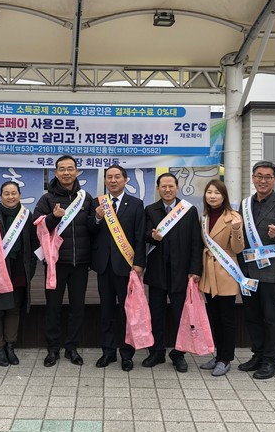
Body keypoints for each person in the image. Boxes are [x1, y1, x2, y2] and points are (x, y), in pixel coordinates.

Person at [238, 160, 275, 379]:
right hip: (247, 270)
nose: (263, 181)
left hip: (270, 271)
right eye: (259, 176)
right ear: (253, 178)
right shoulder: (245, 205)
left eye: (268, 177)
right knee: (252, 315)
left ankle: (271, 361)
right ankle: (258, 354)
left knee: (270, 317)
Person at [33, 155, 93, 367]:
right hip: (55, 264)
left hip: (80, 263)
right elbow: (37, 228)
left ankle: (72, 347)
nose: (66, 172)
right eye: (62, 169)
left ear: (76, 172)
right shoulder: (47, 199)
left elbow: (91, 228)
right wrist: (54, 217)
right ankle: (53, 349)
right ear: (56, 173)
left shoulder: (86, 198)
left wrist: (98, 219)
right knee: (53, 308)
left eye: (70, 168)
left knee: (77, 308)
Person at [140, 172, 202, 373]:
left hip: (181, 273)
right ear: (158, 189)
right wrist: (152, 237)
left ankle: (178, 354)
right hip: (157, 271)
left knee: (180, 316)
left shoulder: (188, 210)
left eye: (171, 186)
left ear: (177, 188)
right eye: (163, 186)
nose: (167, 190)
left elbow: (196, 242)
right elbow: (144, 234)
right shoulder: (150, 210)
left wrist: (195, 269)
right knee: (156, 314)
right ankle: (156, 352)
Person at [88, 165, 146, 372]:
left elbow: (140, 235)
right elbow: (90, 230)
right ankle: (108, 351)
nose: (113, 180)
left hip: (126, 267)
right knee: (106, 311)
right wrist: (96, 218)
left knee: (126, 311)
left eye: (117, 177)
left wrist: (139, 263)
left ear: (125, 180)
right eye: (109, 177)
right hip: (104, 266)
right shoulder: (97, 203)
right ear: (105, 180)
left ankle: (127, 354)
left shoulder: (136, 204)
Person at [0, 181, 39, 366]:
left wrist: (30, 267)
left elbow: (34, 241)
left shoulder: (26, 215)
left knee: (14, 309)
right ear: (0, 196)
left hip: (19, 270)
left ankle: (10, 346)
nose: (10, 196)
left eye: (14, 193)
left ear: (19, 195)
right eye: (6, 193)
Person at [199, 179, 244, 376]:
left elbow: (238, 249)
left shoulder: (233, 217)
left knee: (226, 318)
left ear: (224, 196)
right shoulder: (204, 216)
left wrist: (236, 229)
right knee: (214, 317)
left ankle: (226, 359)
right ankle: (218, 356)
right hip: (208, 272)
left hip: (226, 271)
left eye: (217, 192)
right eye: (209, 192)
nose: (213, 196)